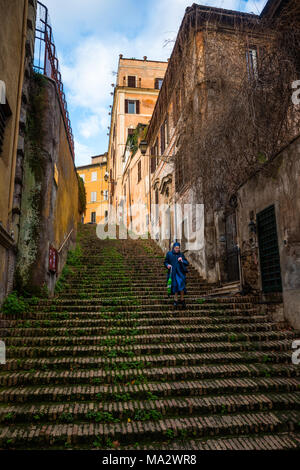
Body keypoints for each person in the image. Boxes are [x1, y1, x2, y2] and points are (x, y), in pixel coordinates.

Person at [164, 242, 189, 308]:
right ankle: (175, 300)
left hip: (181, 273)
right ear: (173, 248)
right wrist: (167, 265)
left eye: (178, 248)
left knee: (181, 286)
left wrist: (182, 260)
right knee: (175, 286)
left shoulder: (181, 254)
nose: (177, 249)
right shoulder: (169, 254)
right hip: (173, 273)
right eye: (176, 248)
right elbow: (165, 262)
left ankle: (182, 299)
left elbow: (187, 263)